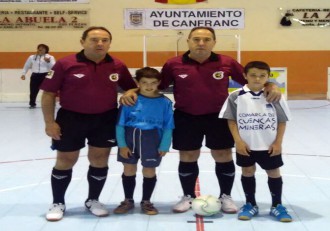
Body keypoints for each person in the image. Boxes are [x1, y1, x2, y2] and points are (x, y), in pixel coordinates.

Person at [120, 26, 281, 214]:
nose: (201, 43)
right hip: (186, 117)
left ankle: (225, 196)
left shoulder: (226, 62)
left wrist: (270, 84)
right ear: (188, 41)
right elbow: (157, 86)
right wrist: (133, 90)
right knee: (188, 156)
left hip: (219, 117)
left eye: (206, 39)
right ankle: (188, 196)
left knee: (223, 155)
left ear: (214, 42)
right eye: (196, 39)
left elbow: (250, 78)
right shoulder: (173, 64)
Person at [40, 26, 137, 221]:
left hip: (105, 119)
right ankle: (58, 202)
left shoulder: (117, 65)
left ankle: (93, 199)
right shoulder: (65, 64)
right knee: (66, 160)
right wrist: (49, 122)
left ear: (109, 43)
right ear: (82, 41)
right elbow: (49, 94)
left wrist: (130, 92)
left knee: (99, 159)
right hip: (71, 119)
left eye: (104, 40)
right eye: (94, 39)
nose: (99, 43)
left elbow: (133, 87)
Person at [219, 61, 292, 222]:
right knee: (247, 172)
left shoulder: (275, 96)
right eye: (253, 75)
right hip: (246, 145)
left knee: (273, 173)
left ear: (268, 77)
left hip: (269, 145)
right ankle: (250, 204)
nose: (257, 79)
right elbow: (231, 120)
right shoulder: (236, 96)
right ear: (245, 76)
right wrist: (238, 141)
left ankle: (277, 205)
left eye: (262, 76)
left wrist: (278, 142)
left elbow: (281, 121)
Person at [113, 67, 174, 215]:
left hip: (152, 139)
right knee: (129, 169)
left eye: (153, 82)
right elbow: (120, 124)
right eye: (144, 82)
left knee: (149, 170)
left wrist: (165, 145)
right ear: (137, 82)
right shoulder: (130, 100)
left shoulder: (165, 102)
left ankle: (146, 201)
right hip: (130, 138)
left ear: (159, 83)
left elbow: (168, 126)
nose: (149, 86)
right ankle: (128, 200)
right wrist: (122, 145)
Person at [21, 44, 55, 109]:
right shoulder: (32, 57)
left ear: (46, 50)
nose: (40, 49)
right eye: (39, 48)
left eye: (42, 48)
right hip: (35, 75)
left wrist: (48, 62)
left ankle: (50, 103)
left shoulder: (50, 57)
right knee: (33, 90)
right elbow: (26, 66)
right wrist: (23, 74)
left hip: (45, 75)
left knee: (48, 91)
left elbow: (53, 67)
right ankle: (32, 104)